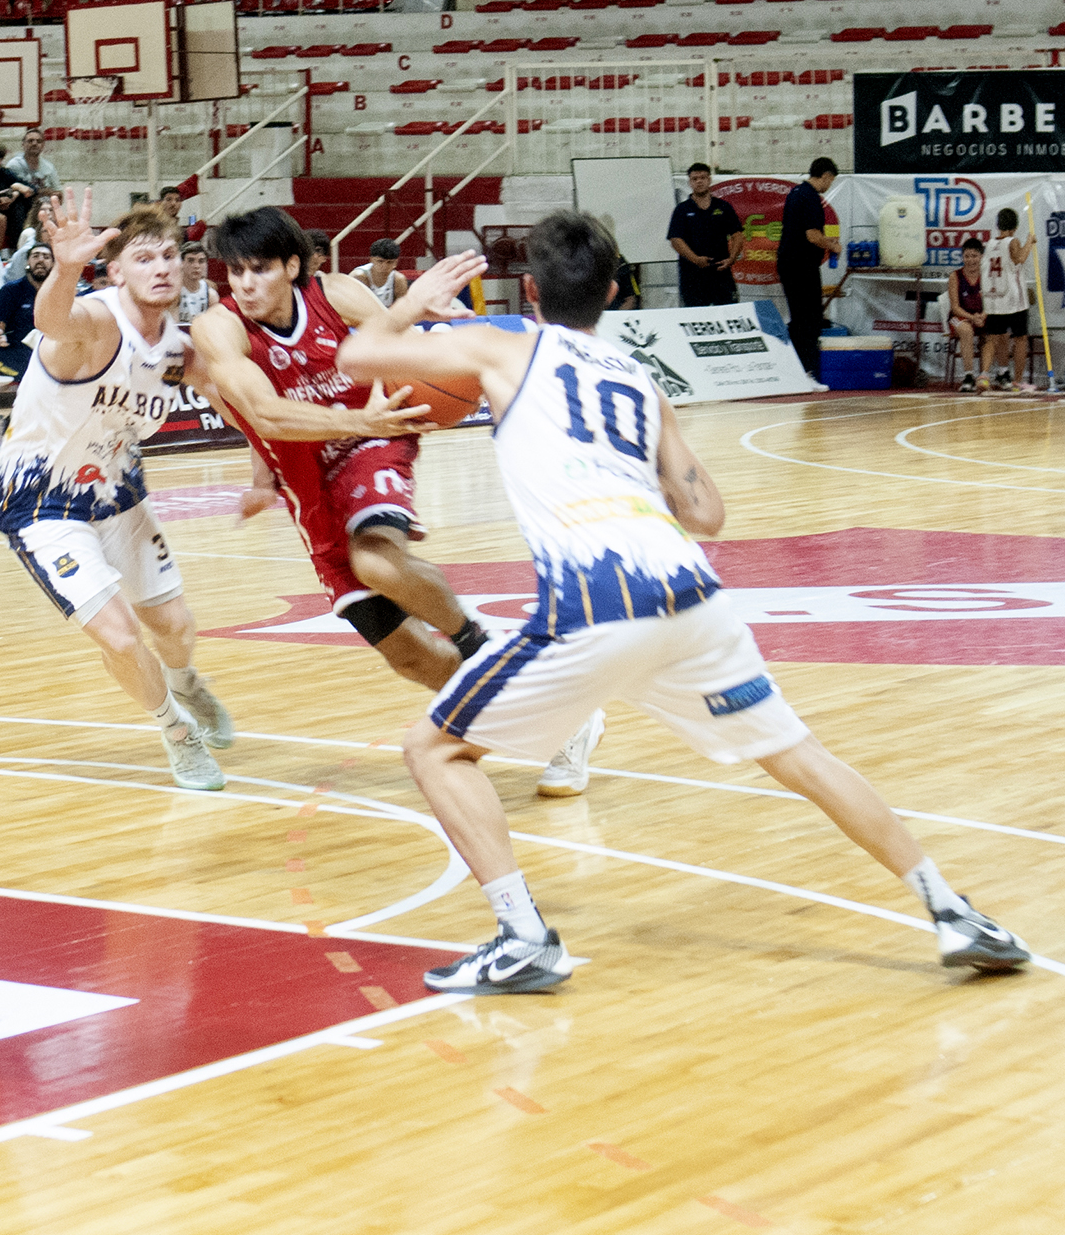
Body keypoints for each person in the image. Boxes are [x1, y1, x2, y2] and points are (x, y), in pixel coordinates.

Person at [332, 210, 1029, 992]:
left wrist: (413, 302)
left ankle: (523, 938)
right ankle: (953, 910)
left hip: (597, 595)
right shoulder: (639, 380)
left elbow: (356, 356)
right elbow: (707, 514)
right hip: (691, 594)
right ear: (613, 293)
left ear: (529, 289)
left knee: (434, 749)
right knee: (796, 753)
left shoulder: (502, 344)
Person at [198, 205, 607, 794]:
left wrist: (428, 333)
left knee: (375, 559)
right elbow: (262, 413)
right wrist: (264, 480)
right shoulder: (220, 327)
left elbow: (404, 345)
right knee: (409, 657)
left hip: (375, 440)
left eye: (258, 269)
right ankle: (558, 718)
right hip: (312, 483)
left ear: (291, 266)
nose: (244, 284)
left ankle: (481, 646)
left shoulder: (337, 294)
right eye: (235, 271)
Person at [0, 196, 233, 792]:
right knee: (121, 637)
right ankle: (175, 732)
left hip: (119, 491)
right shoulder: (96, 323)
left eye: (169, 255)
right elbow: (54, 321)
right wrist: (66, 266)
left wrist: (267, 470)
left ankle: (185, 684)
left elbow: (234, 401)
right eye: (144, 258)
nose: (162, 267)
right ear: (116, 270)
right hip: (42, 501)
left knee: (174, 626)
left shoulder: (178, 348)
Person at [777, 157, 839, 379]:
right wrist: (832, 245)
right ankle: (807, 371)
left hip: (790, 263)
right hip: (801, 266)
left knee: (799, 318)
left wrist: (826, 241)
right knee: (810, 319)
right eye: (830, 181)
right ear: (826, 176)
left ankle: (794, 370)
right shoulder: (811, 197)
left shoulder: (795, 193)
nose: (829, 185)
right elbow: (812, 235)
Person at [667, 162, 744, 307]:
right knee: (696, 315)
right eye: (695, 179)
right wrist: (695, 259)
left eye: (703, 177)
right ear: (690, 182)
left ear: (709, 180)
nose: (699, 181)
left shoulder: (723, 207)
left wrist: (732, 258)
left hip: (721, 272)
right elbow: (676, 240)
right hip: (692, 275)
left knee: (728, 312)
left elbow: (737, 234)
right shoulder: (682, 210)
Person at [978, 207, 1036, 392]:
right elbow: (1019, 258)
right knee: (1020, 339)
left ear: (998, 225)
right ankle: (1017, 382)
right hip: (1013, 299)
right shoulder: (1013, 241)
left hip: (995, 298)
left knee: (992, 339)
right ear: (1015, 227)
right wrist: (1029, 242)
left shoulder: (989, 244)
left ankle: (984, 375)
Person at [0, 243, 53, 379]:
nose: (40, 260)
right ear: (27, 262)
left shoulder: (58, 293)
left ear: (53, 264)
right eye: (35, 256)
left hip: (47, 352)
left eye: (46, 257)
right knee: (36, 375)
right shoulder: (10, 291)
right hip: (13, 352)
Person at [950, 237, 987, 391]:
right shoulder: (955, 276)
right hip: (961, 317)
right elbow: (955, 307)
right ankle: (969, 376)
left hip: (982, 316)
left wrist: (983, 316)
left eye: (974, 256)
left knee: (995, 331)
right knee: (966, 330)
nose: (970, 260)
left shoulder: (986, 276)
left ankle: (988, 375)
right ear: (962, 257)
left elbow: (992, 302)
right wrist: (972, 318)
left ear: (981, 256)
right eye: (967, 256)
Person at [351, 238, 408, 304]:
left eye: (389, 262)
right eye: (380, 261)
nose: (385, 266)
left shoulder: (398, 280)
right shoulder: (359, 276)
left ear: (396, 263)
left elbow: (402, 307)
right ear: (371, 260)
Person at [6, 127, 61, 194]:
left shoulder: (49, 167)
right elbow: (7, 192)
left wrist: (54, 194)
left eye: (39, 141)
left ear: (43, 145)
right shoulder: (14, 165)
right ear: (23, 144)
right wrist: (43, 192)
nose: (34, 143)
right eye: (30, 141)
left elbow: (59, 192)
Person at [177, 239, 214, 321]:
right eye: (191, 261)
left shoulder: (211, 295)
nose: (196, 266)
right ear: (181, 263)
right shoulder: (174, 292)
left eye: (201, 261)